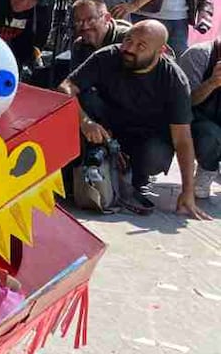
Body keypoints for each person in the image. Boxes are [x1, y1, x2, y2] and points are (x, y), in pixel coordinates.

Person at [59, 20, 207, 218]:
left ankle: (134, 174)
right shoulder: (108, 56)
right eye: (128, 40)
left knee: (154, 157)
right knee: (84, 100)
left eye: (141, 46)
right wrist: (85, 121)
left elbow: (182, 139)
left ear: (160, 51)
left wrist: (187, 192)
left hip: (146, 136)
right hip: (106, 129)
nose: (129, 48)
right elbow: (65, 88)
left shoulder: (174, 80)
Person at [177, 36, 221, 199]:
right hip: (197, 120)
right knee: (210, 135)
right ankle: (207, 168)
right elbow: (183, 104)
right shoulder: (198, 55)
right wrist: (212, 83)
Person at [70, 0, 131, 70]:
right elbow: (75, 80)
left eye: (90, 20)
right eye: (78, 21)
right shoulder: (78, 47)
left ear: (107, 18)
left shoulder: (128, 40)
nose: (84, 26)